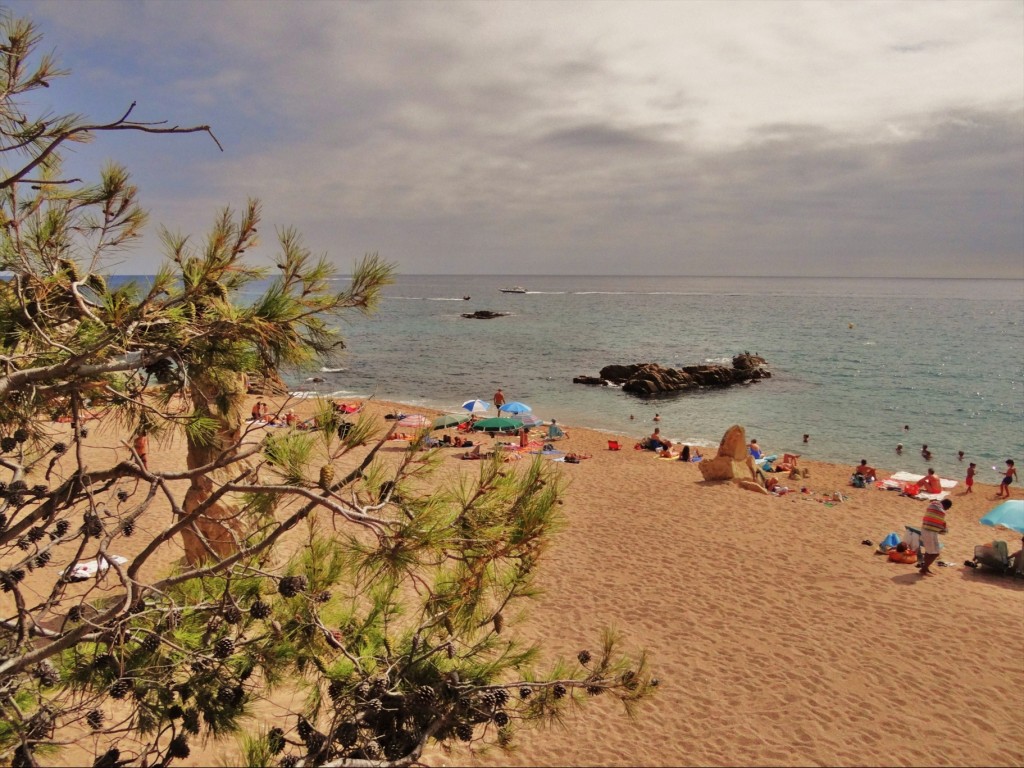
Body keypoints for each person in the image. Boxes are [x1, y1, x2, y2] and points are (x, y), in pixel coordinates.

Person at [919, 498, 952, 576]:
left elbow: (934, 519)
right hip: (931, 532)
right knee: (936, 553)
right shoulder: (941, 511)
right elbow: (940, 524)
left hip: (924, 529)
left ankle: (925, 568)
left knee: (928, 551)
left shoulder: (931, 505)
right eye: (948, 508)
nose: (947, 510)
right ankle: (923, 568)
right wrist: (944, 528)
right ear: (946, 505)